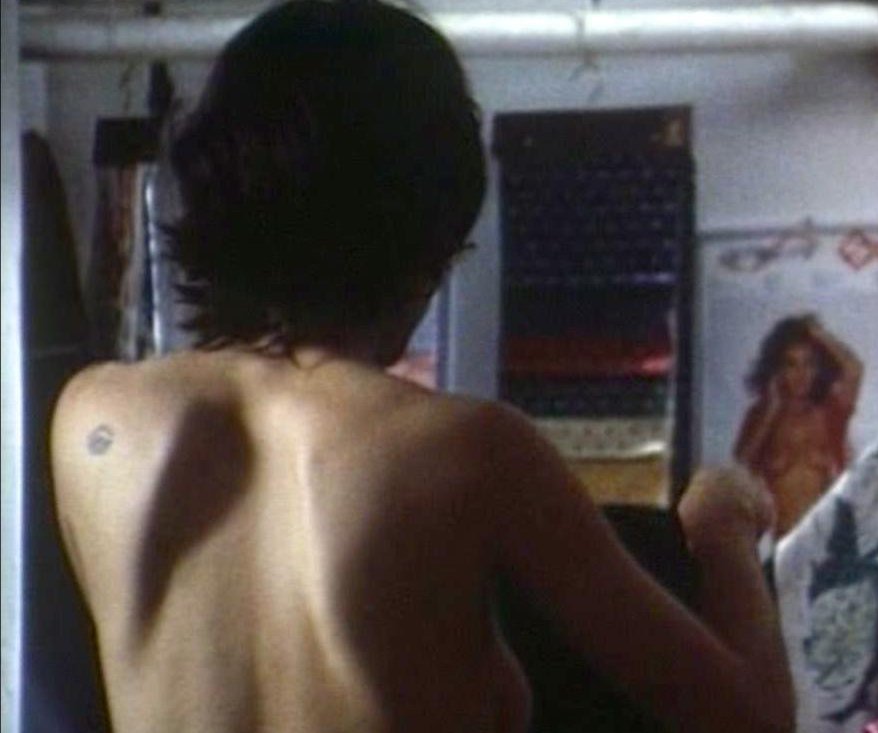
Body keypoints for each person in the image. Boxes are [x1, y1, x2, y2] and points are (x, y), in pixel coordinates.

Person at [49, 2, 793, 731]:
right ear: (428, 235)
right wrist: (720, 528)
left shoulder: (94, 419)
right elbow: (750, 720)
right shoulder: (470, 449)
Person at [734, 313, 863, 537]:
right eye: (791, 364)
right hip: (785, 543)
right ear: (778, 370)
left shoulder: (830, 410)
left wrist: (816, 332)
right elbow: (742, 466)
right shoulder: (761, 416)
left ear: (819, 368)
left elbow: (854, 369)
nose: (801, 374)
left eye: (809, 364)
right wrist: (771, 411)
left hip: (829, 540)